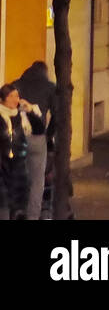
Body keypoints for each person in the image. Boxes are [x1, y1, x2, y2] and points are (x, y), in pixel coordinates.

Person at [15, 62, 52, 220]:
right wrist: (50, 136)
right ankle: (33, 216)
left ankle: (17, 211)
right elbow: (57, 114)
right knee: (37, 181)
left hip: (16, 137)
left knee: (17, 175)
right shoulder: (50, 87)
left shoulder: (15, 85)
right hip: (37, 137)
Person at [0, 85, 35, 219]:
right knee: (4, 207)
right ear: (2, 99)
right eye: (11, 96)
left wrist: (30, 110)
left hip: (19, 168)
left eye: (17, 96)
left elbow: (38, 130)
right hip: (3, 168)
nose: (16, 99)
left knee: (19, 207)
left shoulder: (21, 116)